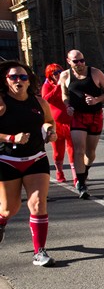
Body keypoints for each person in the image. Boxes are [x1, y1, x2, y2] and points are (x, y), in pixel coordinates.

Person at [0, 61, 58, 266]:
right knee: (10, 208)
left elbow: (49, 120)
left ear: (28, 80)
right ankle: (1, 222)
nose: (18, 81)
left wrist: (50, 131)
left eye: (23, 77)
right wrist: (11, 138)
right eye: (13, 77)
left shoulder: (39, 102)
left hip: (36, 159)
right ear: (6, 80)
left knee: (38, 203)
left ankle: (39, 252)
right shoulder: (2, 103)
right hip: (7, 161)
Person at [59, 49, 104, 199]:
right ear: (69, 61)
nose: (80, 64)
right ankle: (81, 184)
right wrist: (67, 105)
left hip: (95, 116)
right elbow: (64, 93)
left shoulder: (95, 73)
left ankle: (85, 171)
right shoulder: (65, 75)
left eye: (82, 60)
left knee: (90, 152)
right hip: (77, 116)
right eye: (76, 61)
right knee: (78, 149)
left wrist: (96, 100)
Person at [41, 63, 74, 184]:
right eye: (55, 73)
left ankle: (77, 176)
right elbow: (46, 99)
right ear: (50, 75)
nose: (58, 74)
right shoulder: (47, 85)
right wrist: (58, 86)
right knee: (58, 151)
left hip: (69, 121)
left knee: (72, 149)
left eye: (60, 71)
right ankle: (59, 172)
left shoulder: (67, 82)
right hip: (56, 124)